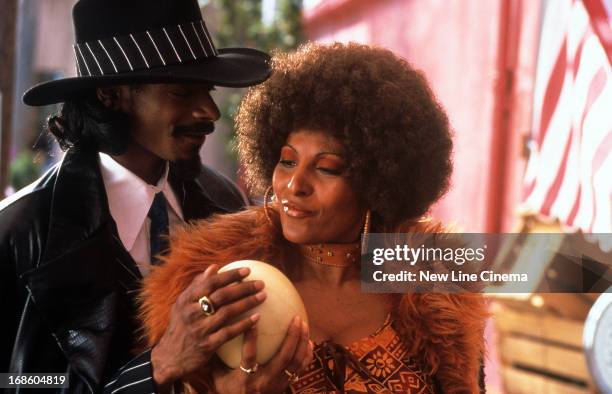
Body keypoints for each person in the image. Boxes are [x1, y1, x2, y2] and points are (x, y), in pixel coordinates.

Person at [140, 42, 488, 393]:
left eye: (326, 168)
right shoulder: (226, 284)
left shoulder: (436, 292)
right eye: (288, 161)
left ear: (377, 182)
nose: (294, 185)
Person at [0, 0, 273, 392]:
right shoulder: (21, 233)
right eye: (182, 92)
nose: (210, 111)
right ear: (111, 95)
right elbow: (16, 383)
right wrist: (157, 368)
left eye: (208, 91)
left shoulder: (224, 202)